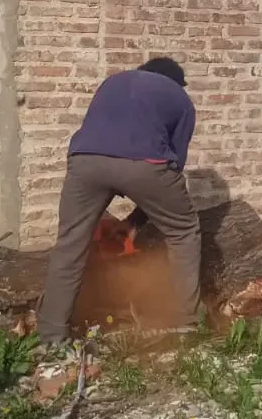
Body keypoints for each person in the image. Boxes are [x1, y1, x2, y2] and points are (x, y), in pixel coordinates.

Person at [37, 57, 202, 344]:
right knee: (184, 232)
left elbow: (105, 139)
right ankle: (185, 322)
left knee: (70, 242)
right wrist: (140, 219)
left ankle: (51, 334)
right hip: (146, 165)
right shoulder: (180, 98)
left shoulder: (112, 82)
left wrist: (131, 222)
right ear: (175, 80)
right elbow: (172, 167)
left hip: (85, 160)